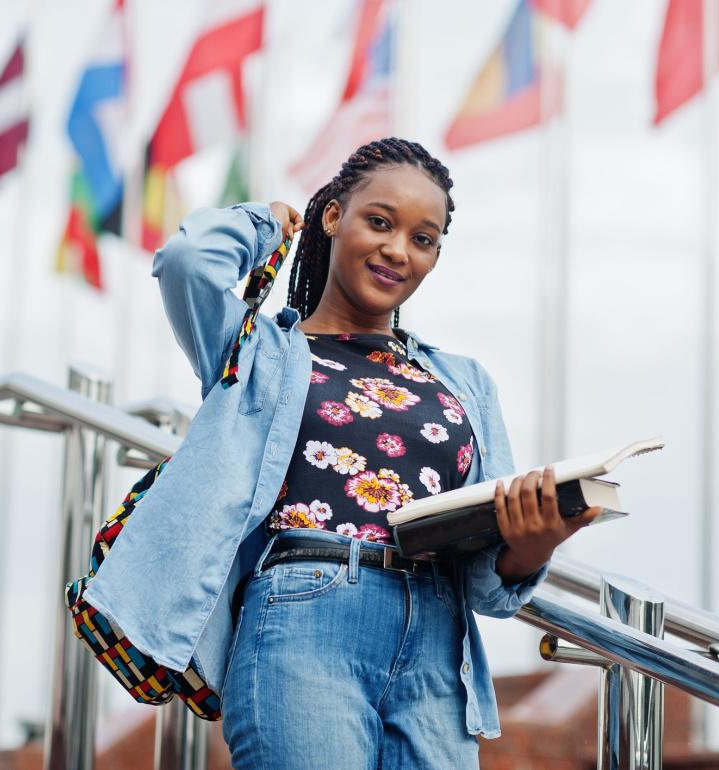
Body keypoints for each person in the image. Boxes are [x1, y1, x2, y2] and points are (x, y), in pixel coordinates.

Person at [84, 138, 600, 770]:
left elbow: (489, 588)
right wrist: (266, 221)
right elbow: (190, 260)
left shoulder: (465, 381)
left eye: (422, 238)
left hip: (439, 647)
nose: (396, 250)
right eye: (379, 222)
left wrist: (535, 542)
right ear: (332, 217)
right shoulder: (260, 352)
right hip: (303, 624)